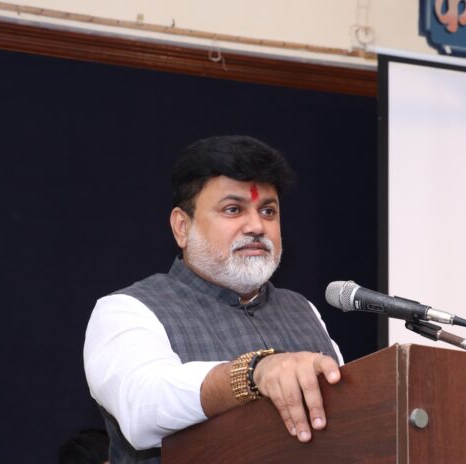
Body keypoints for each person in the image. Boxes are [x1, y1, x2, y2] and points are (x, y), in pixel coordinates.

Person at [83, 135, 343, 463]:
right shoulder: (126, 310)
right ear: (182, 227)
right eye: (233, 209)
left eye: (268, 211)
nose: (256, 226)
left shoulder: (302, 310)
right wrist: (253, 373)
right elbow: (144, 407)